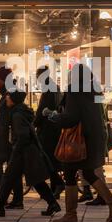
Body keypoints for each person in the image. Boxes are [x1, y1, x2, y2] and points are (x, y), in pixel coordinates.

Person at [45, 64, 112, 222]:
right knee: (88, 173)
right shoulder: (94, 90)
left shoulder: (75, 91)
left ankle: (70, 214)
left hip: (79, 141)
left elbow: (71, 118)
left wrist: (52, 115)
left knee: (69, 174)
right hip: (94, 138)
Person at [0, 89, 61, 217]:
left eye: (8, 97)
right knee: (36, 180)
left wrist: (15, 151)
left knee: (8, 179)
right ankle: (52, 204)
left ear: (13, 100)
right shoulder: (20, 111)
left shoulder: (17, 115)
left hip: (22, 153)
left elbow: (23, 136)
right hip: (27, 152)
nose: (6, 99)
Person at [0, 67, 24, 209]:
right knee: (13, 169)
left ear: (3, 80)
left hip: (6, 137)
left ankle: (2, 197)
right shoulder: (11, 91)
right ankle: (16, 200)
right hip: (8, 136)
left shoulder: (10, 94)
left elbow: (7, 118)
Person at [33, 66, 65, 199]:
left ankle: (57, 183)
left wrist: (35, 123)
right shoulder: (55, 87)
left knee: (46, 159)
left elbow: (43, 110)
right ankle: (54, 189)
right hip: (55, 128)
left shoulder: (48, 89)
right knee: (51, 159)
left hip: (47, 130)